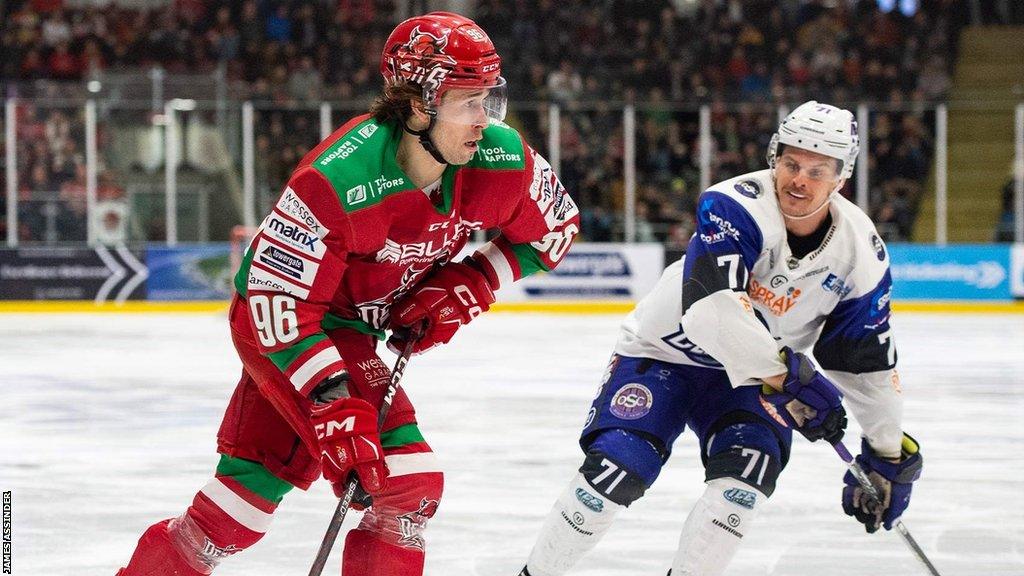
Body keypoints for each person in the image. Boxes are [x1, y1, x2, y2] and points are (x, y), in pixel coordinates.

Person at [117, 11, 579, 576]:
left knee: (236, 515)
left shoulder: (501, 160)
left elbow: (556, 229)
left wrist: (476, 280)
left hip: (339, 328)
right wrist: (332, 400)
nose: (485, 119)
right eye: (468, 102)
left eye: (490, 98)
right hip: (288, 328)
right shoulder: (337, 180)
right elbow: (275, 299)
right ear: (417, 105)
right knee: (406, 487)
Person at [519, 101, 923, 576]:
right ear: (775, 157)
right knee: (617, 469)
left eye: (817, 171)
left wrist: (886, 453)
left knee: (745, 478)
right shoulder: (735, 205)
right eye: (791, 163)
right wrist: (787, 378)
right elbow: (712, 315)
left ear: (841, 178)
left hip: (754, 381)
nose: (799, 180)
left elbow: (867, 362)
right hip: (665, 354)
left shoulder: (861, 253)